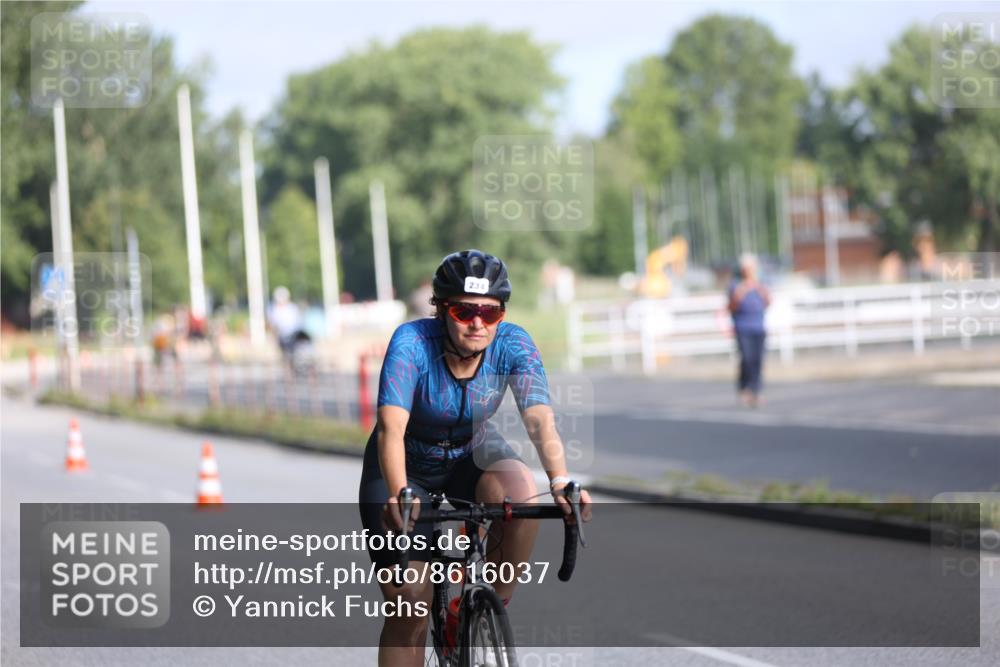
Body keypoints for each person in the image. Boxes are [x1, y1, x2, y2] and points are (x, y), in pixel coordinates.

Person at [358, 249, 592, 667]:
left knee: (522, 491)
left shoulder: (513, 343)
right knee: (410, 605)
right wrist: (398, 494)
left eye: (490, 312)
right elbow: (391, 429)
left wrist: (560, 481)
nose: (479, 323)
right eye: (465, 312)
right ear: (441, 310)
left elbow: (538, 418)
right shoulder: (411, 343)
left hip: (472, 453)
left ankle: (484, 608)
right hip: (404, 465)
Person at [728, 253, 770, 408]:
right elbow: (730, 307)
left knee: (757, 360)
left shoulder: (760, 284)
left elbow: (768, 302)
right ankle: (744, 388)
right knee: (746, 359)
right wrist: (741, 292)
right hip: (743, 327)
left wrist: (760, 289)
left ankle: (756, 390)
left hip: (758, 326)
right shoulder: (735, 285)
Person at [266, 286, 303, 361]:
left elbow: (298, 324)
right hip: (282, 336)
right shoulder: (274, 309)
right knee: (285, 356)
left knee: (292, 355)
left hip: (293, 336)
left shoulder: (292, 308)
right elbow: (272, 325)